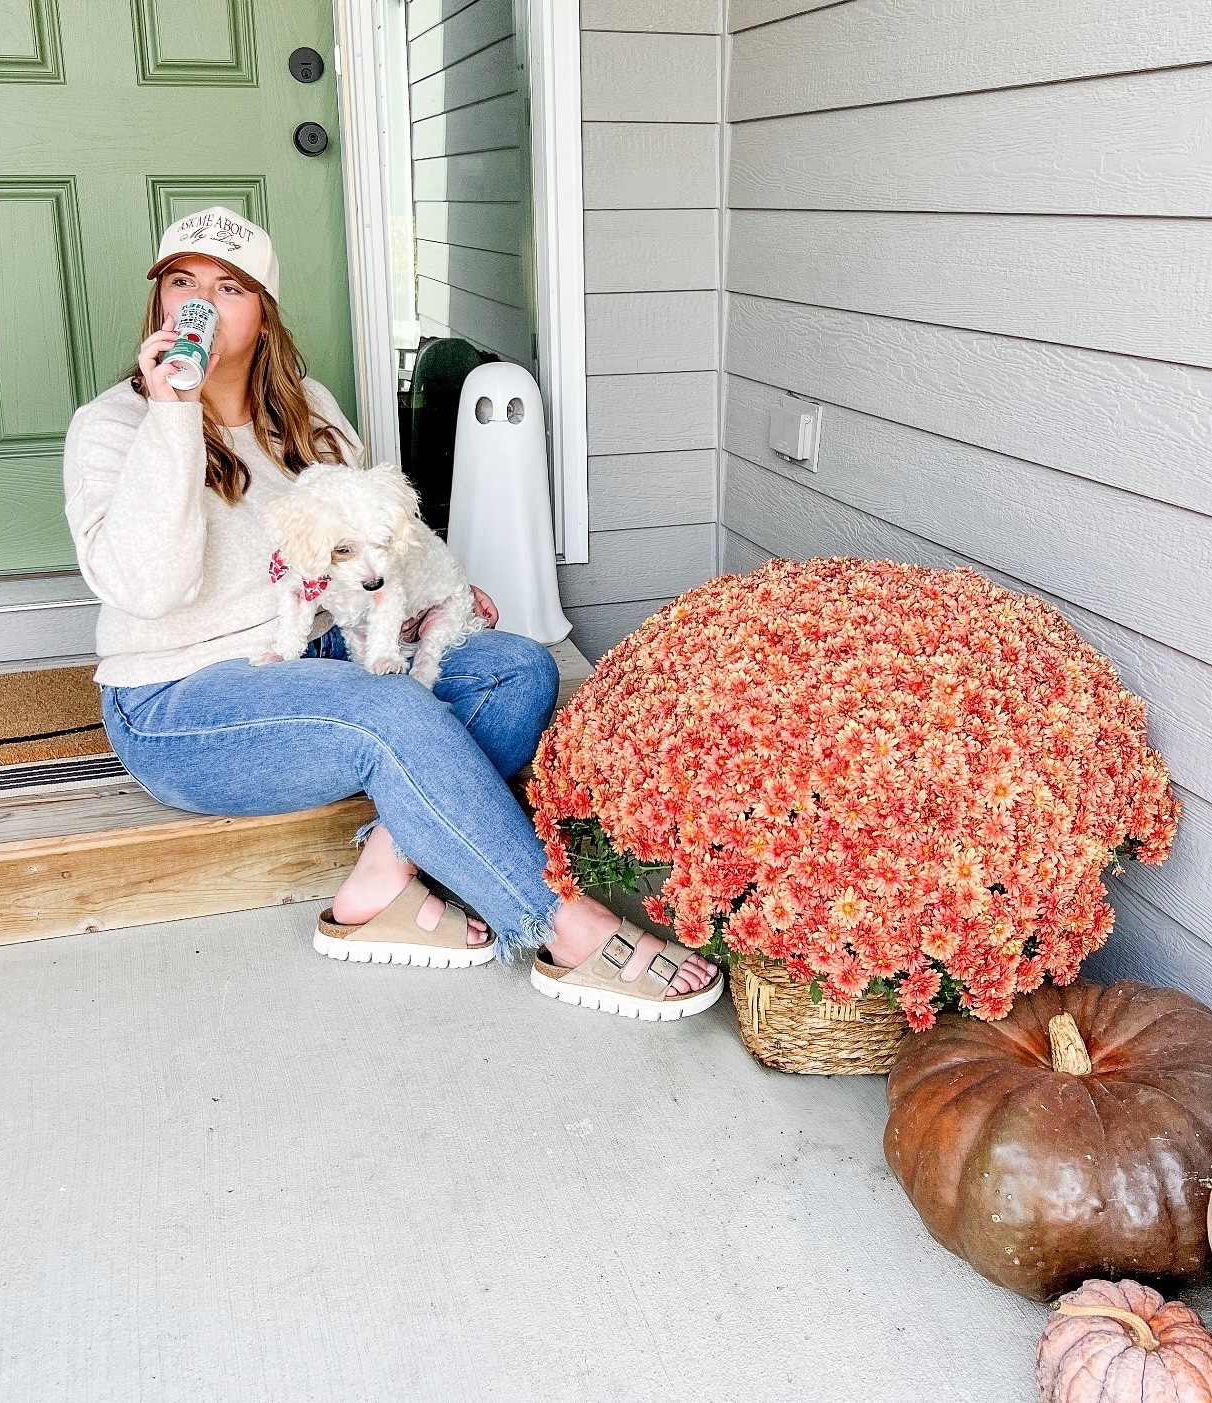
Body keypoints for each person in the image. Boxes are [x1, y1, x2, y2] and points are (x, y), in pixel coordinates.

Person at [62, 208, 721, 1020]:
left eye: (228, 286)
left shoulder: (304, 409)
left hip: (321, 658)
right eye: (181, 282)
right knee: (391, 711)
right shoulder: (111, 427)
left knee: (519, 667)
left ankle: (384, 863)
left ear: (261, 309)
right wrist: (172, 411)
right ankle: (560, 923)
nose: (199, 301)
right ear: (162, 306)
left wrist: (429, 596)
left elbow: (375, 538)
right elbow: (149, 588)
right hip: (178, 700)